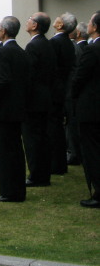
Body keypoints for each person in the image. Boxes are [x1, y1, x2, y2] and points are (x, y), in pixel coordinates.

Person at [0, 16, 30, 203]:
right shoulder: (21, 51)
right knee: (16, 150)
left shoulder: (4, 52)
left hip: (4, 109)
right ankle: (18, 189)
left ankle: (9, 191)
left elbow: (3, 79)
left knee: (5, 152)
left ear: (4, 31)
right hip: (18, 106)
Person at [22, 12, 57, 187]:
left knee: (33, 139)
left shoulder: (33, 46)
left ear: (35, 25)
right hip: (45, 98)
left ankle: (36, 175)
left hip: (34, 101)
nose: (27, 21)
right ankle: (43, 173)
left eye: (30, 18)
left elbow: (29, 75)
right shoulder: (47, 44)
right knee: (43, 138)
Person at [71, 11, 100, 208]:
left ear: (95, 27)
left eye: (90, 22)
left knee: (92, 152)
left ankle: (98, 191)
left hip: (91, 109)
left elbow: (79, 78)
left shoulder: (92, 50)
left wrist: (72, 98)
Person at [49, 12, 77, 174]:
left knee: (53, 129)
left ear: (60, 26)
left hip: (55, 90)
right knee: (58, 128)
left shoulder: (55, 42)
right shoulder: (67, 43)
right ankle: (60, 163)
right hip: (63, 89)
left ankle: (55, 164)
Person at [66, 22, 89, 165]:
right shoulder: (86, 48)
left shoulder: (77, 49)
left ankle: (73, 153)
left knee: (72, 125)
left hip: (75, 93)